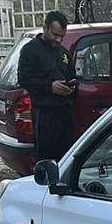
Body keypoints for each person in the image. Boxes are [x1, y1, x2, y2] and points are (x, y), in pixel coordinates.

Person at [18, 11, 76, 163]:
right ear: (45, 28)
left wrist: (71, 87)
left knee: (67, 159)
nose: (58, 39)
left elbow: (71, 75)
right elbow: (24, 79)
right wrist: (49, 87)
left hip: (66, 113)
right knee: (47, 160)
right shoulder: (30, 50)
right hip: (45, 114)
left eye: (62, 36)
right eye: (55, 34)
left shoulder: (64, 52)